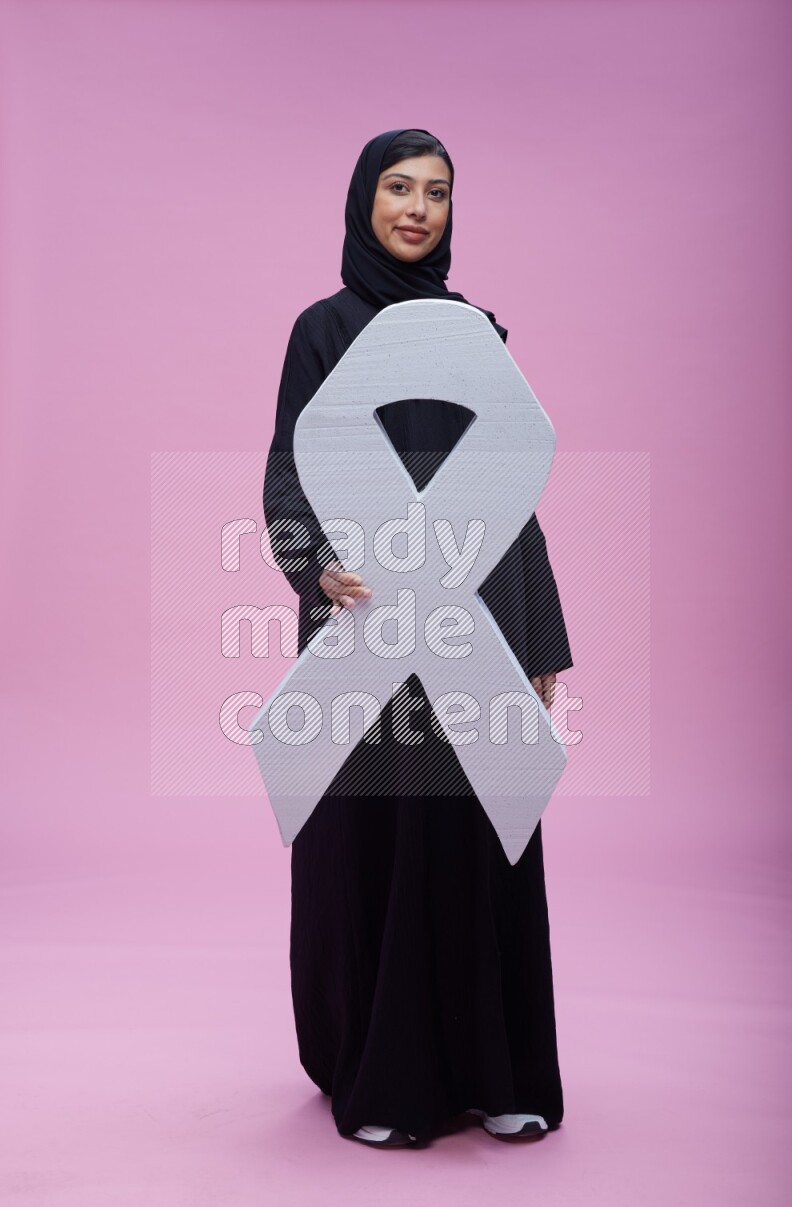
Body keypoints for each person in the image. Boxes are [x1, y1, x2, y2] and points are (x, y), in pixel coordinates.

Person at [262, 129, 574, 1148]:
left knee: (480, 838)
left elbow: (512, 496)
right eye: (397, 188)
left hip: (470, 626)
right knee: (375, 846)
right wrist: (314, 564)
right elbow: (286, 472)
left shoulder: (472, 330)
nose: (416, 208)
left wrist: (538, 641)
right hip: (366, 629)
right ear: (362, 200)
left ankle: (496, 1072)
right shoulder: (323, 329)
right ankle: (380, 1074)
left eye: (436, 192)